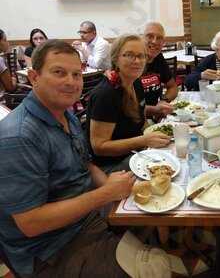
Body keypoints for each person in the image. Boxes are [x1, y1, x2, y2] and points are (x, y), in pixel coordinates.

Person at [0, 39, 170, 277]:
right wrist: (106, 194)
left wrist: (116, 187)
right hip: (50, 250)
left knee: (154, 218)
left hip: (83, 220)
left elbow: (85, 163)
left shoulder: (64, 114)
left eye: (76, 74)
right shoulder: (19, 137)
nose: (71, 82)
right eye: (59, 72)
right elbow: (31, 223)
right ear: (34, 77)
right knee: (155, 269)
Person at [86, 34, 171, 173]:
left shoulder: (136, 82)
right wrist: (144, 141)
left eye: (141, 56)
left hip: (136, 152)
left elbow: (137, 111)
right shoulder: (105, 94)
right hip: (111, 166)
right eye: (129, 55)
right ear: (116, 58)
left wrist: (155, 111)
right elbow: (99, 147)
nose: (137, 61)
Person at [140, 22, 177, 120]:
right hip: (132, 122)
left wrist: (164, 101)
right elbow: (127, 108)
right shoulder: (133, 62)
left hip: (153, 118)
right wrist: (155, 109)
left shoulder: (158, 58)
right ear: (141, 38)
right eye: (150, 36)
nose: (155, 41)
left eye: (159, 38)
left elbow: (172, 86)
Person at [0, 29, 17, 99]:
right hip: (3, 102)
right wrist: (14, 79)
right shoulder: (0, 60)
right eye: (5, 40)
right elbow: (11, 88)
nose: (7, 43)